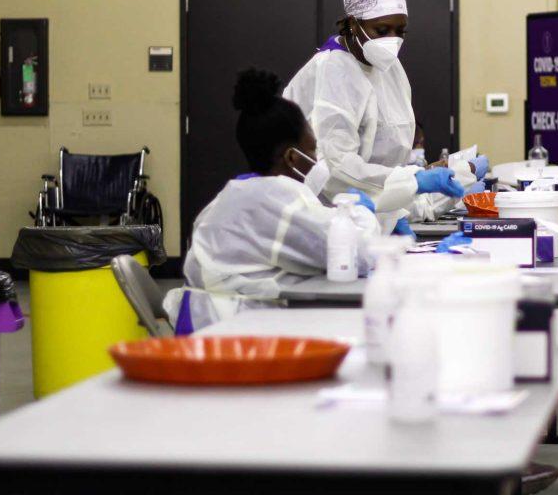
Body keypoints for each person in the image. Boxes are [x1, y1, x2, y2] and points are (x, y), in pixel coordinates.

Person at [168, 69, 419, 331]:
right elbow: (355, 254)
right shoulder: (276, 199)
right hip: (232, 334)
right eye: (313, 148)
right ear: (291, 157)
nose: (317, 158)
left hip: (217, 323)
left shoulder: (238, 193)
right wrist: (361, 212)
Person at [283, 0, 475, 222]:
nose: (392, 39)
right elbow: (336, 168)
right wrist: (412, 180)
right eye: (382, 30)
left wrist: (419, 177)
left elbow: (393, 147)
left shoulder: (389, 67)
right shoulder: (332, 71)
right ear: (353, 23)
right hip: (328, 215)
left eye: (400, 31)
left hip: (374, 211)